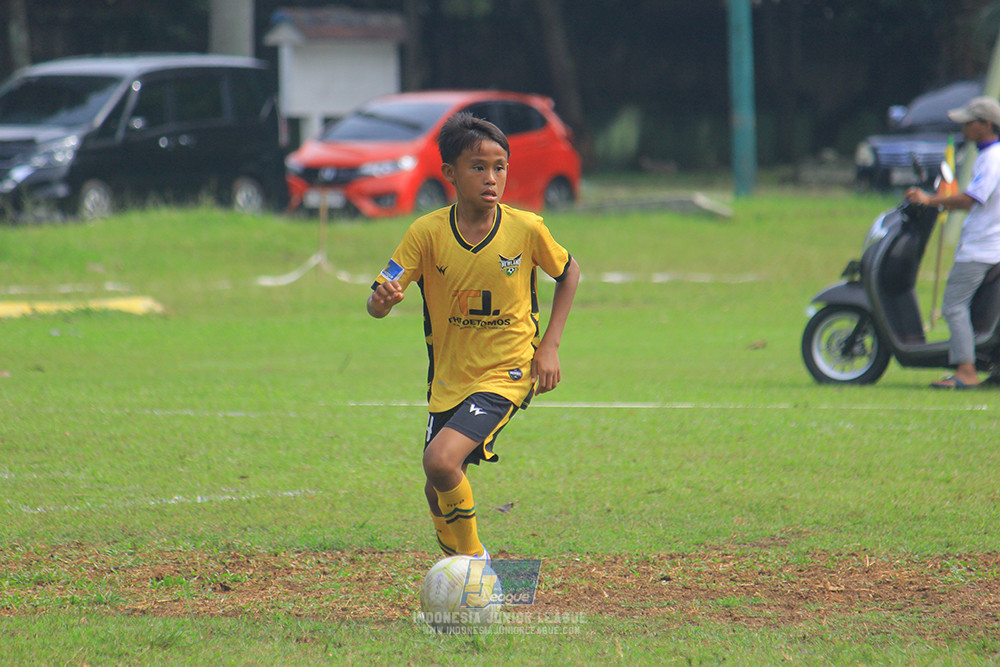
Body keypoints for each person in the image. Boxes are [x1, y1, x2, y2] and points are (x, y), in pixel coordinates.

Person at [366, 113, 580, 558]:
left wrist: (550, 346)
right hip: (448, 379)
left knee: (441, 461)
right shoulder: (425, 233)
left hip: (507, 370)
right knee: (436, 488)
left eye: (499, 167)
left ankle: (475, 568)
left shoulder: (526, 228)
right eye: (477, 167)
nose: (491, 178)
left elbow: (569, 271)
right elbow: (379, 295)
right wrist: (382, 301)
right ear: (449, 173)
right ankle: (461, 578)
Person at [906, 95, 1000, 389]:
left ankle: (966, 371)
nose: (964, 128)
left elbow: (971, 199)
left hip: (981, 248)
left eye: (969, 123)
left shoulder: (992, 158)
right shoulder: (991, 155)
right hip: (990, 246)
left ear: (985, 124)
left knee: (953, 306)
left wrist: (930, 200)